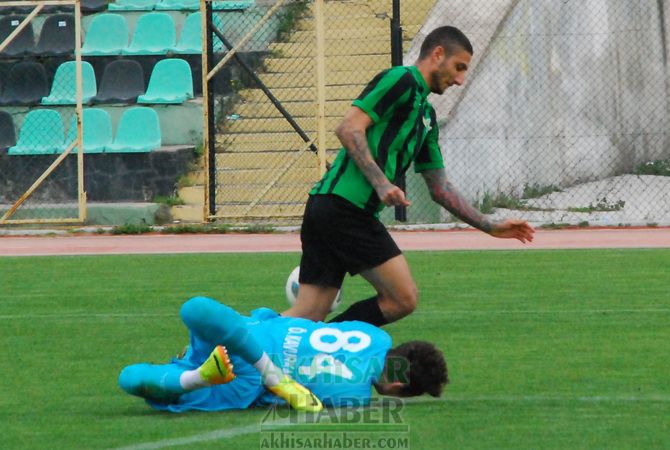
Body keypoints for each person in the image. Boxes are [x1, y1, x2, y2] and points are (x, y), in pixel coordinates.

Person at [282, 26, 535, 326]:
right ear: (437, 53)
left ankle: (238, 347)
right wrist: (381, 183)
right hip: (343, 208)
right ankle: (333, 346)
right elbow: (348, 128)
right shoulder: (400, 80)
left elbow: (439, 188)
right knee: (402, 298)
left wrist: (489, 225)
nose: (460, 79)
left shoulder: (427, 117)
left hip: (328, 208)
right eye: (459, 67)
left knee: (306, 315)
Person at [118, 296, 448, 413]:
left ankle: (198, 374)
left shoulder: (374, 333)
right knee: (131, 379)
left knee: (195, 309)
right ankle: (196, 378)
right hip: (245, 381)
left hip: (249, 335)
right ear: (397, 389)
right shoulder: (356, 396)